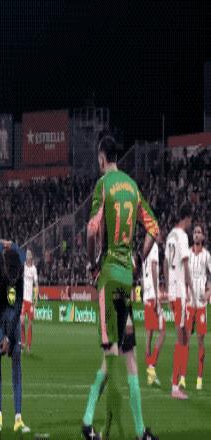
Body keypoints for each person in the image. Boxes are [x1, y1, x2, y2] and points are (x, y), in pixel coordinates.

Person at [81, 133, 158, 440]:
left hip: (109, 277)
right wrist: (138, 257)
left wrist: (92, 263)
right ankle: (139, 431)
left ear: (102, 158)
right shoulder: (132, 187)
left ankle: (92, 424)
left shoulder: (104, 185)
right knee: (130, 355)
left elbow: (91, 230)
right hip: (127, 280)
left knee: (111, 355)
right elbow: (154, 229)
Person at [0, 240, 30, 434]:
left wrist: (10, 338)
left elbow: (18, 305)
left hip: (12, 320)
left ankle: (18, 418)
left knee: (17, 359)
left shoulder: (18, 270)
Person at [164, 203, 193, 399]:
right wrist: (191, 289)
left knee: (182, 335)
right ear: (187, 218)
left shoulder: (170, 236)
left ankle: (176, 377)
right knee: (181, 337)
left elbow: (166, 264)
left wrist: (168, 290)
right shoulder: (182, 236)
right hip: (180, 292)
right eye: (190, 220)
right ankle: (175, 386)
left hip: (173, 291)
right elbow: (185, 263)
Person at [183, 223, 211, 390]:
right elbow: (183, 275)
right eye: (194, 232)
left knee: (200, 340)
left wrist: (208, 293)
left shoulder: (207, 256)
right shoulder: (187, 253)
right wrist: (184, 292)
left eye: (199, 232)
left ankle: (199, 377)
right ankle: (182, 376)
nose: (196, 234)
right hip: (189, 303)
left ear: (203, 236)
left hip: (201, 303)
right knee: (185, 339)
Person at [143, 241, 165, 387]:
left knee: (149, 334)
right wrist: (157, 296)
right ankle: (151, 367)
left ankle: (150, 375)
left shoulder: (145, 249)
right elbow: (153, 267)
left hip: (146, 295)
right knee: (162, 332)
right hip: (152, 295)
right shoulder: (154, 246)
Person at [21, 249, 38, 354]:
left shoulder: (34, 269)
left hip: (30, 301)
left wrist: (36, 298)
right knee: (22, 322)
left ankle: (29, 345)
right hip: (23, 300)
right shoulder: (23, 267)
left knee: (30, 324)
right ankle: (23, 343)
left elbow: (36, 284)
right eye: (27, 257)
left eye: (29, 257)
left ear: (31, 258)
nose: (28, 259)